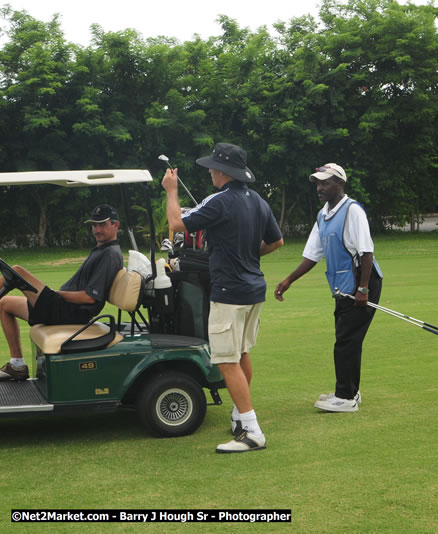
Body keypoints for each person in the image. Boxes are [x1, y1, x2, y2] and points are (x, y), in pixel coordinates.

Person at [162, 143, 283, 453]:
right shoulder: (257, 200)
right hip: (254, 289)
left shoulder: (221, 200)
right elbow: (276, 241)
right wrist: (248, 255)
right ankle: (240, 416)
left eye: (214, 168)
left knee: (227, 360)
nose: (211, 172)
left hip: (229, 292)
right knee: (241, 353)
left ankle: (252, 431)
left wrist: (171, 189)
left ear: (224, 172)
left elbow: (177, 224)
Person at [0, 204, 123, 381]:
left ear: (115, 225)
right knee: (4, 305)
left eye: (102, 224)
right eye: (94, 225)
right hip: (63, 308)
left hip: (69, 312)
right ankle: (17, 365)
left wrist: (56, 294)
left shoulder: (110, 254)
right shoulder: (102, 250)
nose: (97, 229)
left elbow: (90, 298)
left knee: (17, 271)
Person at [274, 163, 383, 412]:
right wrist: (288, 280)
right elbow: (313, 255)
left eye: (325, 183)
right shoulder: (323, 215)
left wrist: (363, 289)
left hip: (362, 282)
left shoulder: (352, 210)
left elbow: (367, 252)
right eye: (317, 183)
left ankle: (346, 397)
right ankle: (350, 390)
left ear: (340, 184)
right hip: (343, 286)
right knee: (347, 338)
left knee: (346, 340)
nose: (319, 188)